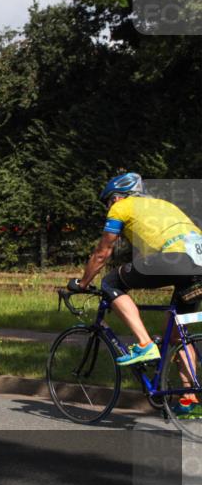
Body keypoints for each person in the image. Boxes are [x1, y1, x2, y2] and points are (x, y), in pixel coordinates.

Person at [74, 172, 202, 417]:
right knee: (176, 336)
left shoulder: (121, 208)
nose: (109, 207)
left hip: (176, 260)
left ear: (117, 197)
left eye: (109, 201)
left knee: (111, 281)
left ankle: (144, 345)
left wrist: (82, 283)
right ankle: (188, 398)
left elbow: (103, 253)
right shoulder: (163, 205)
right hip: (199, 265)